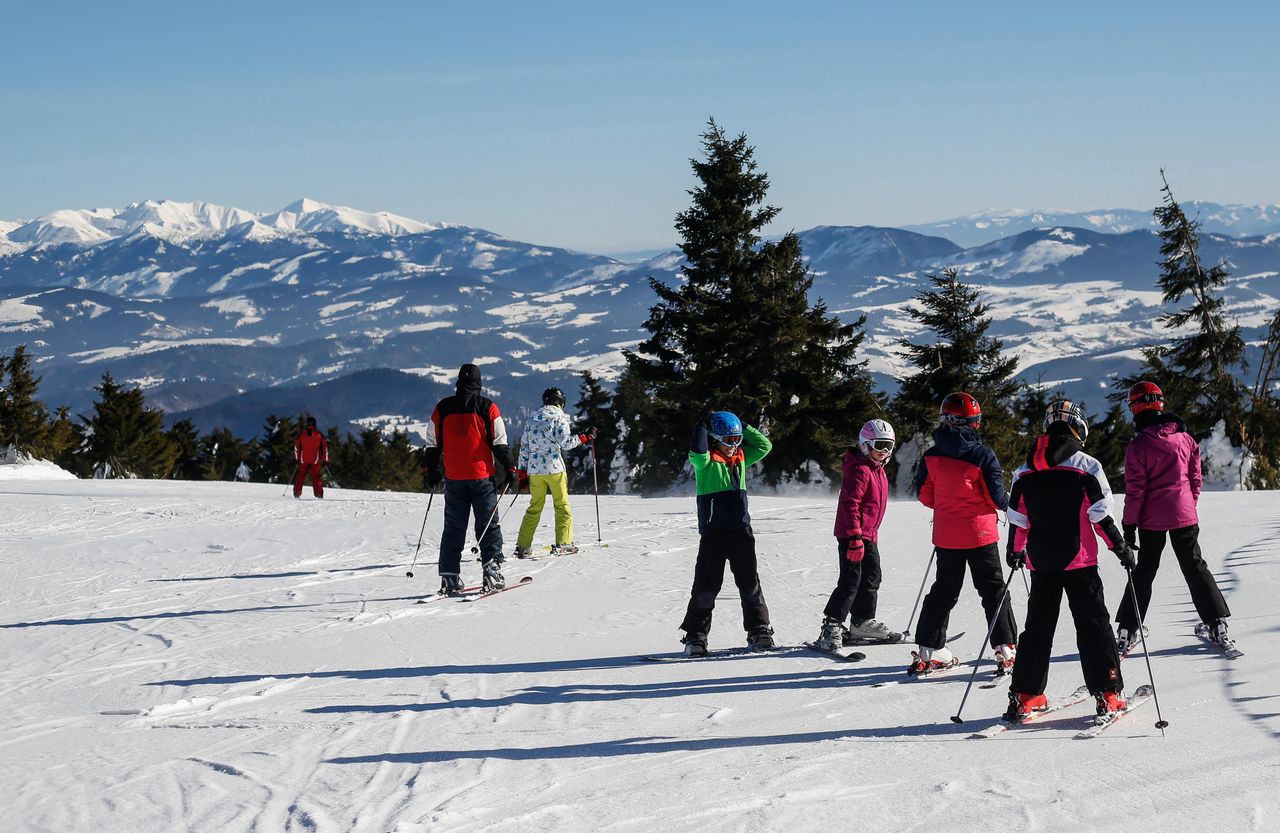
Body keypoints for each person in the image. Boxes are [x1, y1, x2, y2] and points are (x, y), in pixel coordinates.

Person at [1003, 399, 1135, 721]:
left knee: (1037, 629)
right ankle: (1108, 693)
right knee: (1093, 627)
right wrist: (1120, 548)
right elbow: (1100, 516)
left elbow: (1019, 519)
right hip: (1080, 563)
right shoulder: (1087, 466)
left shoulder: (1025, 470)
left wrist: (1016, 550)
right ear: (1079, 427)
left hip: (1040, 563)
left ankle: (1026, 695)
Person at [1114, 381, 1231, 652]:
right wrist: (1187, 504)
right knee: (1195, 566)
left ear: (1137, 408)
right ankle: (1217, 622)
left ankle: (1128, 628)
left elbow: (1135, 491)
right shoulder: (1185, 438)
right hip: (1184, 514)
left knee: (1144, 571)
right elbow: (1195, 478)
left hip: (1150, 519)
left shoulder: (1139, 445)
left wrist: (1129, 526)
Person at [909, 392, 1018, 675]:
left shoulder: (932, 456)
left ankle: (929, 649)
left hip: (947, 536)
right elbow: (996, 498)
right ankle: (1005, 647)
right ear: (970, 424)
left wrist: (948, 504)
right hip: (980, 535)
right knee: (993, 590)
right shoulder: (982, 455)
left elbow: (924, 495)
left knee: (944, 591)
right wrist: (1016, 506)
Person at [679, 410, 774, 656]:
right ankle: (696, 637)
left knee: (750, 584)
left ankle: (759, 630)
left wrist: (742, 423)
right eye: (728, 440)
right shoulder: (706, 463)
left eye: (737, 440)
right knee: (706, 587)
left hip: (741, 532)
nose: (734, 445)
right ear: (714, 439)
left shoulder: (742, 458)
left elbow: (765, 445)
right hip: (713, 535)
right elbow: (697, 451)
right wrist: (702, 425)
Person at [423, 363, 516, 594]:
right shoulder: (487, 407)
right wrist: (511, 469)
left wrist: (431, 470)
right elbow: (499, 442)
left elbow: (432, 443)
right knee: (487, 525)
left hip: (453, 477)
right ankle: (491, 571)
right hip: (482, 477)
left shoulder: (442, 408)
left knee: (453, 527)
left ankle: (449, 576)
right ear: (479, 383)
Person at [813, 418, 901, 650]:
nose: (884, 451)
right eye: (879, 445)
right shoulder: (859, 470)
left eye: (889, 446)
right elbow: (850, 505)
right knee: (851, 580)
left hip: (869, 535)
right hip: (853, 536)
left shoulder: (877, 470)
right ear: (865, 444)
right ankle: (831, 626)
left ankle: (862, 621)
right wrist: (854, 538)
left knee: (872, 577)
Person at [513, 386, 595, 557]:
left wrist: (522, 473)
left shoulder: (531, 420)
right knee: (562, 506)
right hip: (554, 469)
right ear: (561, 402)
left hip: (535, 471)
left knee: (534, 507)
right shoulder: (559, 418)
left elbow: (524, 449)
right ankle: (564, 544)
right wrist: (584, 437)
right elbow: (565, 443)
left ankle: (523, 547)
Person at [293, 416, 328, 499]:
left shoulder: (302, 434)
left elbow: (296, 448)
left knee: (300, 476)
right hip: (315, 460)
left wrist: (296, 459)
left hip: (303, 459)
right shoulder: (319, 435)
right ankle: (319, 494)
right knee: (316, 476)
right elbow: (325, 448)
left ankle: (297, 493)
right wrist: (325, 460)